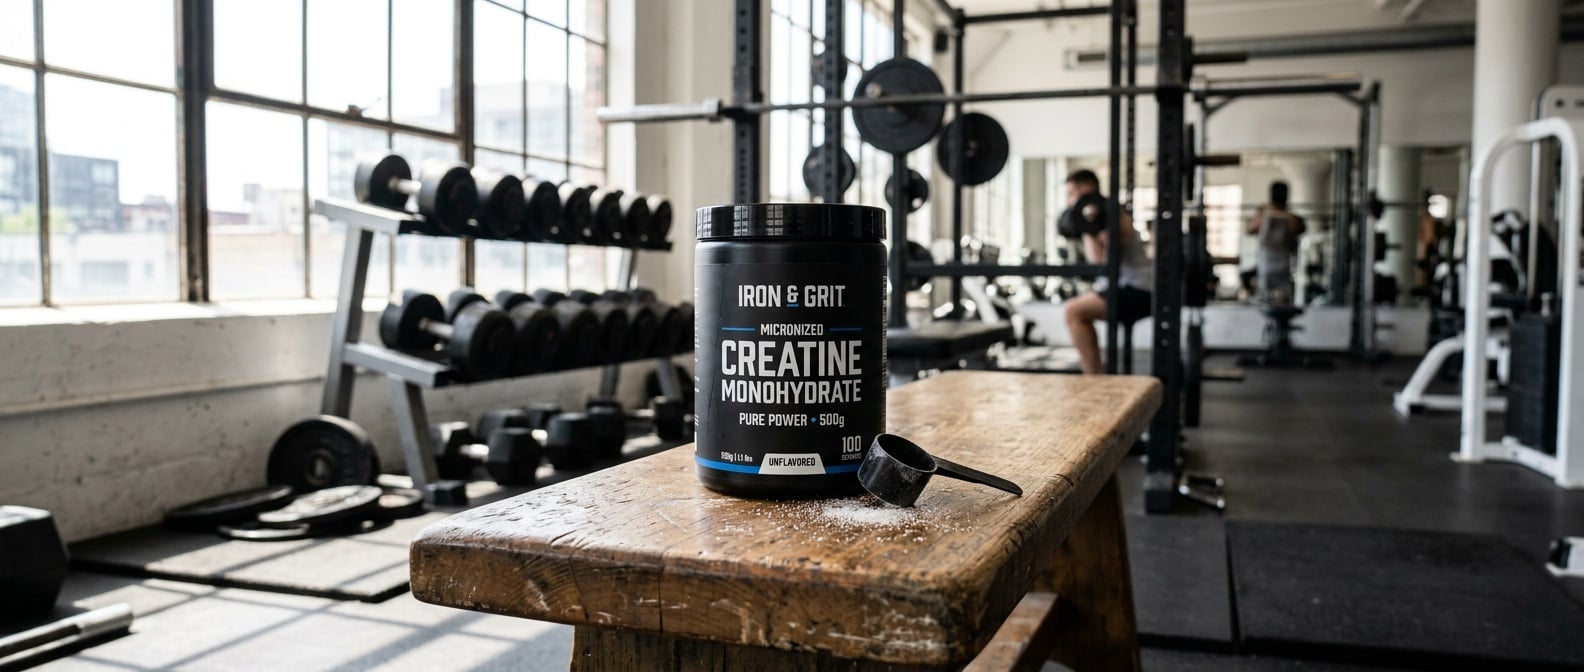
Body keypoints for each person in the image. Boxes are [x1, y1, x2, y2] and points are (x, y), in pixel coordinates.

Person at [1061, 169, 1154, 375]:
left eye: (1071, 194)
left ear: (1085, 189)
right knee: (1075, 309)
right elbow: (1099, 264)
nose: (1069, 201)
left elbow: (1100, 262)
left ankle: (1093, 378)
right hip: (1124, 288)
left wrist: (1087, 225)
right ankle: (1095, 373)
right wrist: (1086, 225)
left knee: (1073, 311)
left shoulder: (1113, 214)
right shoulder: (1099, 216)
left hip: (1140, 291)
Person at [1247, 181, 1305, 305]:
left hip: (1281, 260)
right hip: (1272, 260)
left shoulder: (1286, 217)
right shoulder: (1269, 215)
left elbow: (1301, 228)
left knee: (1278, 293)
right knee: (1269, 292)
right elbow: (1250, 230)